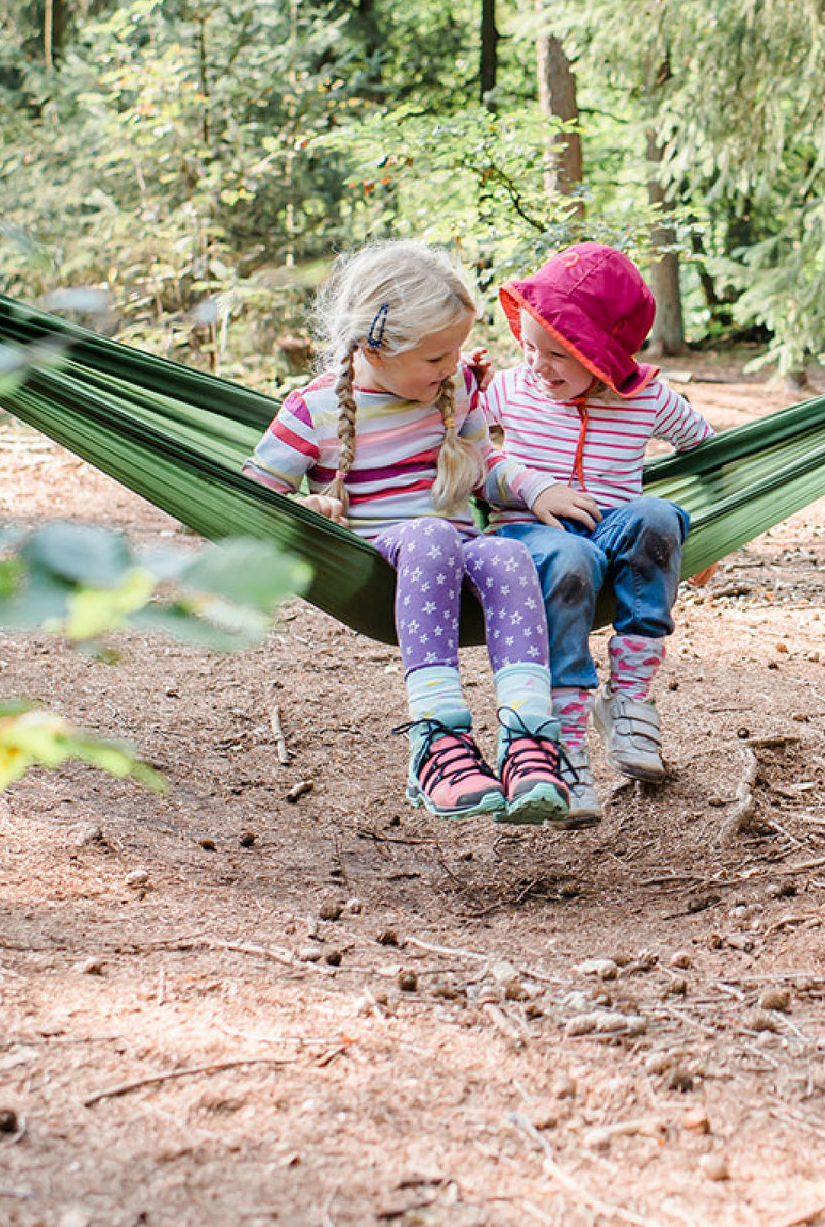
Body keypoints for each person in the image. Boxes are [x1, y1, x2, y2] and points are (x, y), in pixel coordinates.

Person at [243, 240, 591, 826]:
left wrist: (535, 490)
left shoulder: (453, 393)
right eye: (436, 359)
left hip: (461, 555)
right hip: (378, 562)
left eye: (453, 353)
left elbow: (485, 465)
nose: (450, 368)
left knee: (507, 553)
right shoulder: (313, 410)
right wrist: (312, 505)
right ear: (376, 348)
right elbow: (252, 498)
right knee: (432, 535)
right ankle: (436, 741)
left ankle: (530, 743)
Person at [483, 242, 713, 828]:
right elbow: (467, 450)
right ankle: (563, 745)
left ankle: (629, 699)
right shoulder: (510, 390)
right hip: (529, 538)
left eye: (556, 353)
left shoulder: (645, 401)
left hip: (611, 537)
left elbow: (709, 450)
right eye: (528, 347)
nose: (536, 364)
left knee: (657, 515)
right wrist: (535, 488)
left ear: (602, 353)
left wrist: (717, 538)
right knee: (570, 553)